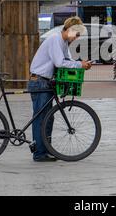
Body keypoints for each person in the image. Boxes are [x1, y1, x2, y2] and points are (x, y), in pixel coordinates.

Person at [28, 16, 92, 162]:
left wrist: (81, 64)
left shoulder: (62, 42)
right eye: (76, 34)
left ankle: (45, 150)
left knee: (48, 117)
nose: (76, 38)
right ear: (70, 30)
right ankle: (39, 153)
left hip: (45, 82)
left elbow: (67, 60)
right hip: (39, 81)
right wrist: (79, 65)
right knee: (41, 118)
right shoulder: (56, 39)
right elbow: (59, 62)